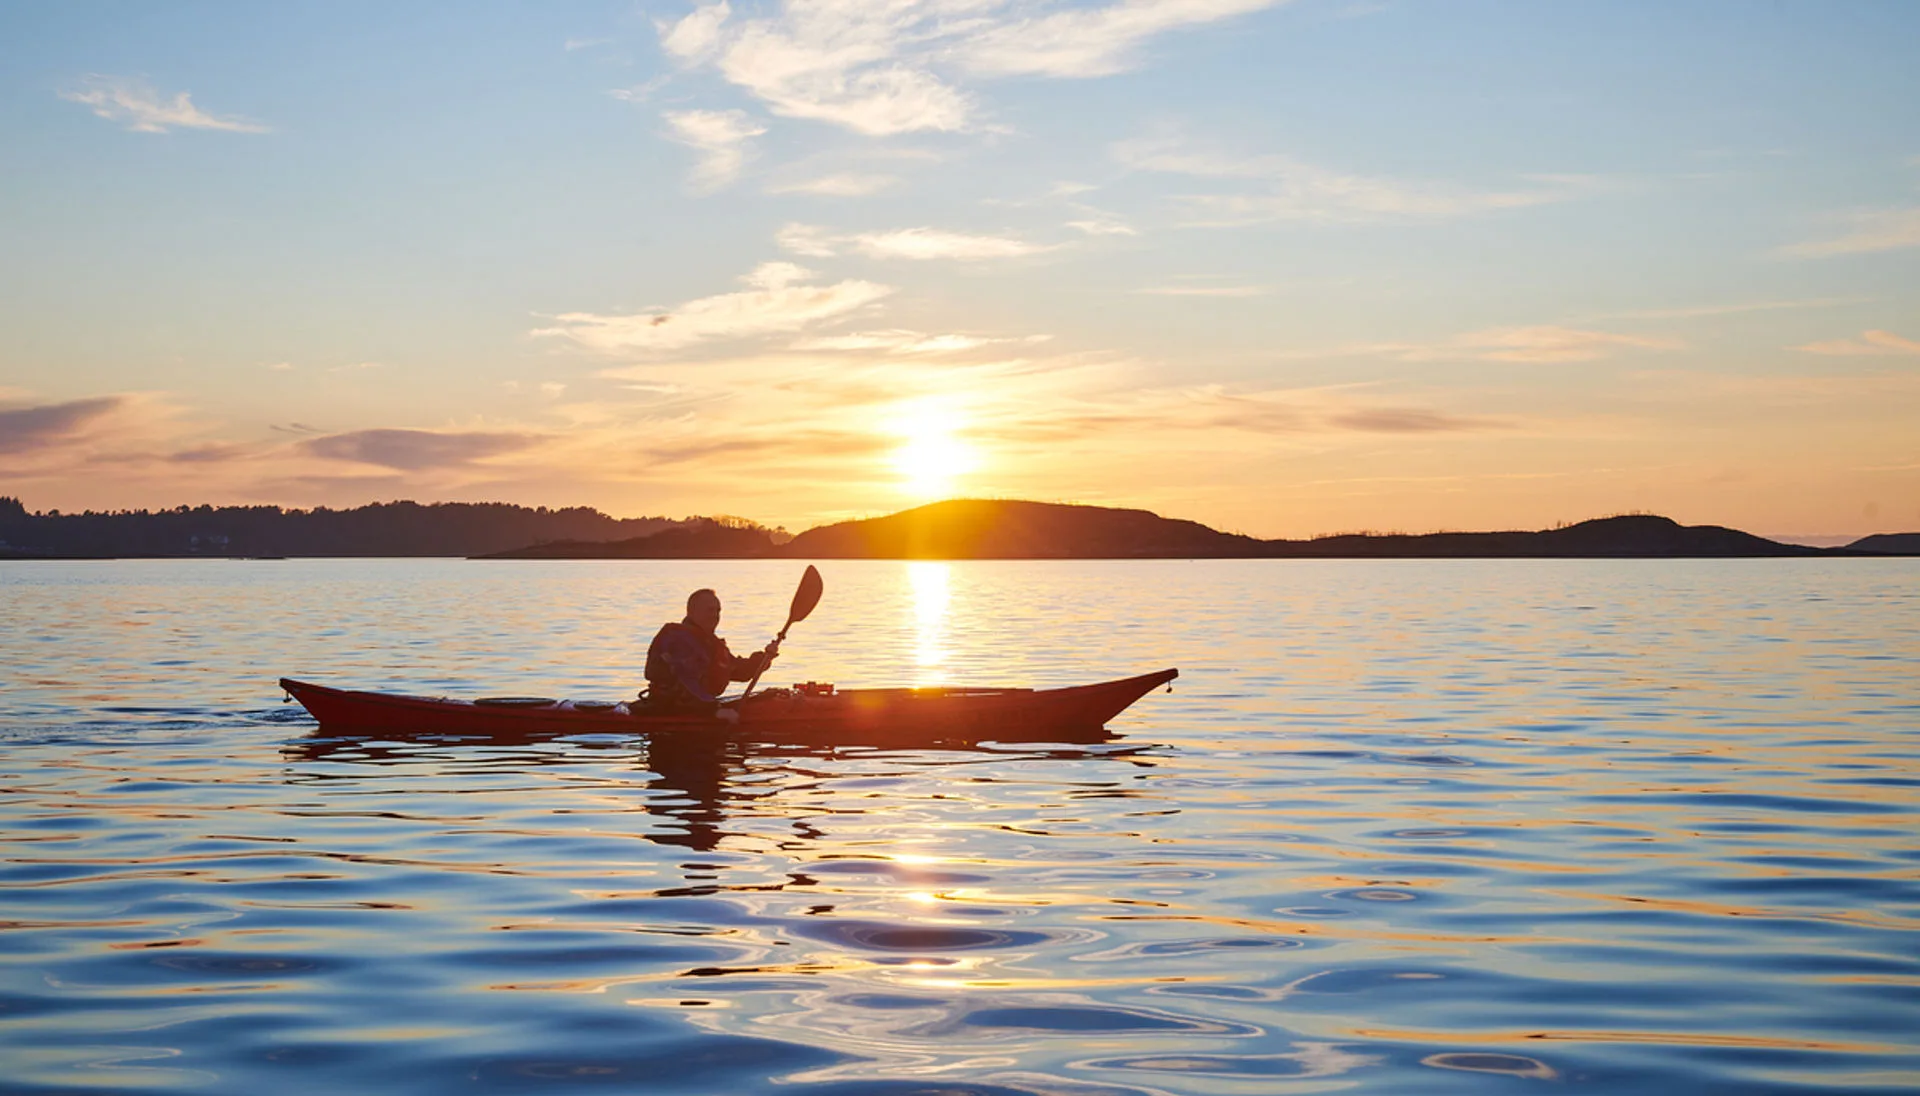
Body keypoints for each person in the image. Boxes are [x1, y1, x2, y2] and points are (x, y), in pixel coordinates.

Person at [643, 588, 778, 724]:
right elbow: (686, 682)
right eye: (709, 610)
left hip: (701, 707)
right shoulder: (675, 639)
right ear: (692, 612)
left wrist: (765, 658)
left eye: (718, 611)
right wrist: (715, 711)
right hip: (672, 710)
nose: (715, 615)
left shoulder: (710, 643)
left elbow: (739, 670)